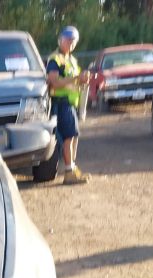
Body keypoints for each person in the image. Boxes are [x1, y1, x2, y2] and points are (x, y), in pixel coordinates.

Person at [47, 26, 91, 185]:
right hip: (61, 103)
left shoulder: (71, 60)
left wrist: (83, 79)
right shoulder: (55, 59)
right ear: (61, 40)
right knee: (68, 138)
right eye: (69, 40)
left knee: (73, 137)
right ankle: (68, 172)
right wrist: (76, 79)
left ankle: (72, 168)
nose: (71, 44)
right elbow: (54, 82)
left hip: (71, 103)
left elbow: (75, 79)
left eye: (74, 41)